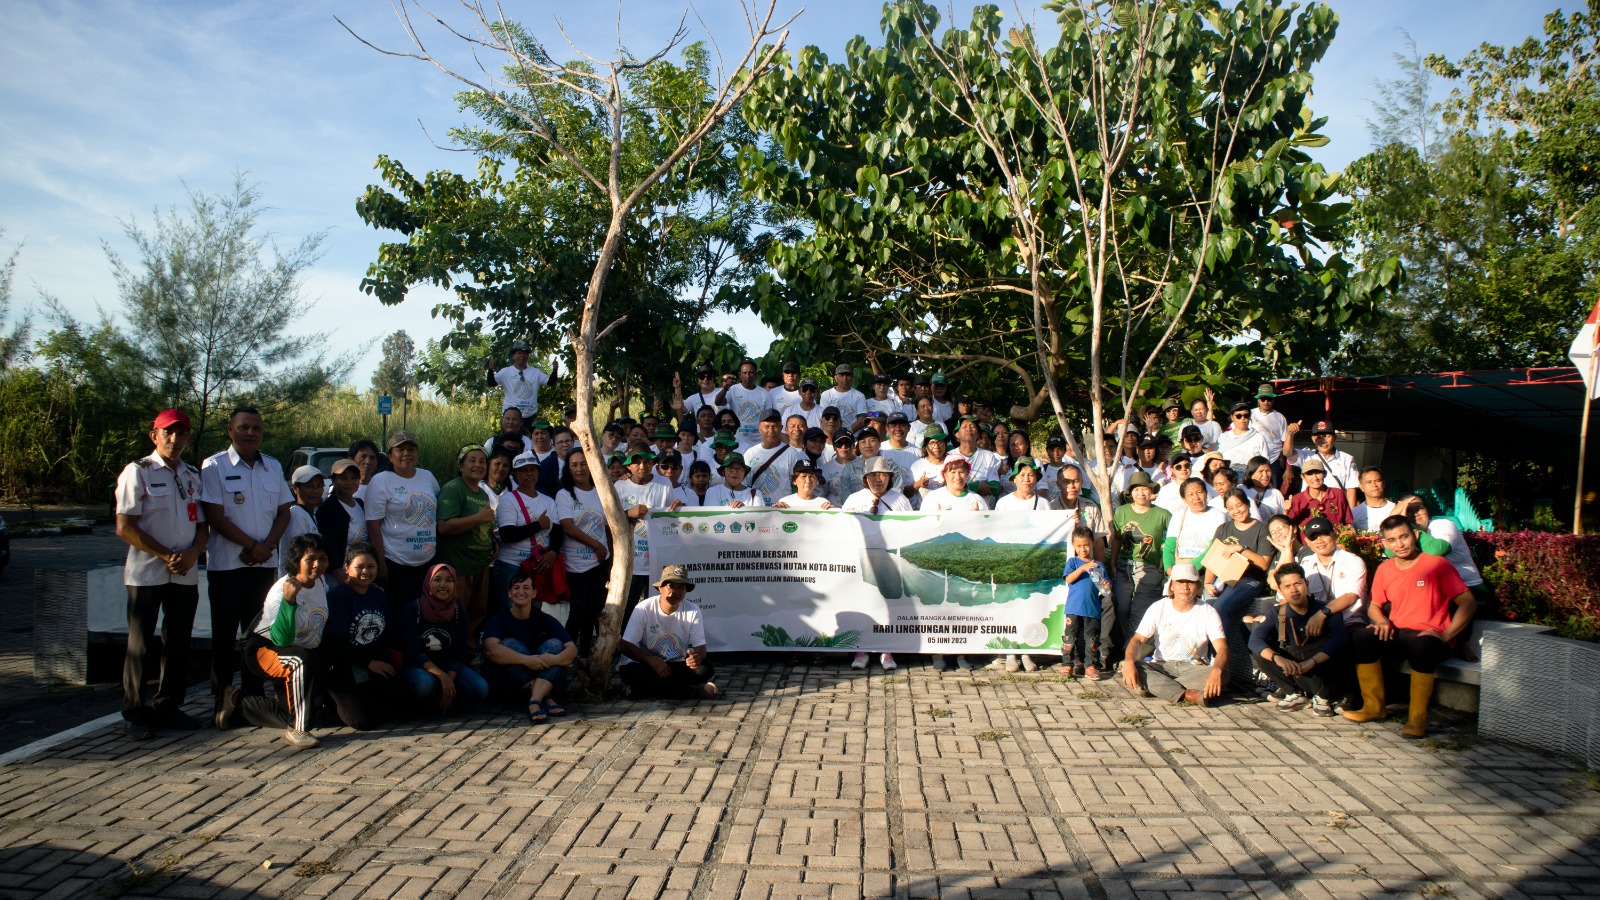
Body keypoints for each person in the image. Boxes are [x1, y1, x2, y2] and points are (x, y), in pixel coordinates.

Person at [114, 408, 208, 739]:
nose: (175, 438)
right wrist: (165, 554)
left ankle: (169, 705)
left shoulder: (192, 475)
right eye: (168, 432)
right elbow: (125, 526)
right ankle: (136, 711)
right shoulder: (137, 471)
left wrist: (194, 553)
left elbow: (203, 525)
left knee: (178, 641)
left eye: (181, 432)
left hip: (184, 572)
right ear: (155, 436)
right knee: (140, 643)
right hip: (147, 573)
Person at [1342, 516, 1477, 738]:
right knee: (1361, 638)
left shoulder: (1436, 565)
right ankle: (1374, 707)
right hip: (1400, 634)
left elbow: (1468, 603)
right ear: (1385, 544)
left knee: (1422, 646)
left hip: (1431, 639)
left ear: (1415, 536)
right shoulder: (1385, 569)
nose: (1400, 544)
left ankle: (1417, 718)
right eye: (1392, 540)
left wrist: (1446, 635)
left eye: (1404, 536)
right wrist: (1382, 621)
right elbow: (1374, 606)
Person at [199, 405, 291, 726]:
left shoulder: (273, 467)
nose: (250, 433)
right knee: (224, 637)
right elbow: (213, 515)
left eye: (256, 428)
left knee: (256, 636)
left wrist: (266, 547)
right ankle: (222, 698)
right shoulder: (214, 467)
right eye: (244, 427)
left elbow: (284, 512)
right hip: (227, 567)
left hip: (263, 568)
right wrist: (251, 546)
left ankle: (252, 698)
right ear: (230, 430)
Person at [235, 533, 330, 750]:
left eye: (323, 558)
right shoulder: (282, 591)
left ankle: (236, 703)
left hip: (299, 650)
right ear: (297, 561)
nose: (318, 564)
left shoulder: (319, 582)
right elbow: (281, 639)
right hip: (266, 650)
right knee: (300, 661)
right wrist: (289, 601)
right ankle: (297, 730)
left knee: (298, 710)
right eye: (310, 559)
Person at [1249, 563, 1349, 716]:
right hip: (1295, 672)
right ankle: (1294, 693)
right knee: (1261, 650)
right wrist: (1278, 659)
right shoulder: (1276, 613)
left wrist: (1312, 662)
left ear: (1306, 584)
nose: (1294, 590)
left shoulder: (1327, 609)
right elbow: (1255, 640)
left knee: (1345, 647)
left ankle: (1324, 697)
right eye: (1287, 586)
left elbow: (1340, 640)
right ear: (1281, 591)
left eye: (1297, 584)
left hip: (1323, 674)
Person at [1121, 562, 1227, 705]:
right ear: (1171, 585)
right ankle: (1187, 694)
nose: (1185, 587)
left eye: (1190, 582)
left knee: (1223, 674)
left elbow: (1222, 648)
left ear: (1198, 586)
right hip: (1162, 666)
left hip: (1194, 668)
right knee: (1132, 666)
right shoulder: (1158, 607)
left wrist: (1216, 672)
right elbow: (1137, 639)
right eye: (1180, 582)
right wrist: (1129, 663)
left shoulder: (1208, 611)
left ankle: (1158, 689)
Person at [483, 570, 578, 724]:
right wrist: (526, 660)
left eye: (526, 588)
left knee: (555, 645)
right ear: (509, 593)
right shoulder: (499, 619)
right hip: (514, 683)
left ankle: (534, 701)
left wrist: (554, 659)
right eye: (516, 587)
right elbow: (490, 650)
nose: (521, 592)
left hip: (545, 672)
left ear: (534, 593)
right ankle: (544, 696)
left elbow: (572, 649)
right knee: (509, 644)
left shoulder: (545, 619)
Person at [322, 542, 399, 730]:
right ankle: (329, 700)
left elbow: (389, 630)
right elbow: (336, 642)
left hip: (373, 661)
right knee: (363, 721)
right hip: (345, 664)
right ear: (347, 568)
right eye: (360, 567)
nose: (366, 571)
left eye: (371, 566)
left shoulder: (378, 594)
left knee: (399, 707)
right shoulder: (338, 597)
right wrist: (368, 663)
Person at [397, 563, 490, 715]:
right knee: (423, 684)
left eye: (449, 580)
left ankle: (448, 696)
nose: (443, 585)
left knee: (481, 688)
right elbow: (413, 652)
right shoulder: (413, 609)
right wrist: (441, 676)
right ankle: (427, 703)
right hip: (420, 666)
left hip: (448, 666)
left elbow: (459, 651)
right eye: (437, 580)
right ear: (428, 583)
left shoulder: (459, 611)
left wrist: (449, 678)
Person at [364, 431, 440, 614]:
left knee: (424, 610)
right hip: (396, 561)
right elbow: (373, 526)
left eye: (411, 449)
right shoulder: (381, 481)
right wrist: (381, 564)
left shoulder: (427, 476)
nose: (407, 453)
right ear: (390, 456)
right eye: (401, 449)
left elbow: (438, 510)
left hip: (428, 560)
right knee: (399, 611)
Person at [618, 565, 717, 699]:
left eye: (681, 587)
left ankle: (642, 689)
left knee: (705, 669)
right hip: (646, 664)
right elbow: (625, 645)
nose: (676, 591)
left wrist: (696, 658)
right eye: (671, 586)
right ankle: (693, 692)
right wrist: (650, 660)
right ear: (660, 588)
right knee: (631, 672)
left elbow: (701, 647)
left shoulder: (693, 610)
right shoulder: (643, 609)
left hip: (676, 664)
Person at [1110, 472, 1172, 673]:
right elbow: (1117, 539)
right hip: (1124, 565)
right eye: (1136, 489)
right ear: (1130, 493)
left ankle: (1130, 655)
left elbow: (1171, 542)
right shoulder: (1122, 512)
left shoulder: (1163, 514)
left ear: (1151, 491)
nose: (1140, 493)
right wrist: (1112, 562)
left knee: (1139, 612)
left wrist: (1166, 568)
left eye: (1144, 488)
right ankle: (1131, 649)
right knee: (1122, 608)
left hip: (1150, 567)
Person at [437, 446, 499, 643]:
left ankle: (468, 652)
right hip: (459, 566)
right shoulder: (453, 489)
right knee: (457, 613)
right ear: (461, 466)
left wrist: (493, 542)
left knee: (476, 613)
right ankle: (452, 655)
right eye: (472, 460)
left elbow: (483, 524)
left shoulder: (482, 494)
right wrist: (478, 517)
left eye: (482, 461)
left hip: (480, 565)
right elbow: (444, 527)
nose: (478, 465)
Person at [555, 447, 610, 657]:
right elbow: (568, 526)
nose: (579, 469)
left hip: (600, 563)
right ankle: (567, 653)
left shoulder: (601, 491)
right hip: (576, 564)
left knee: (594, 611)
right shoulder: (564, 494)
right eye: (574, 465)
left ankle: (586, 653)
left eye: (583, 463)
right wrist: (596, 545)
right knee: (577, 611)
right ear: (568, 470)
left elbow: (609, 524)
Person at [494, 450, 561, 621]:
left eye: (533, 469)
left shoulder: (548, 501)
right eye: (524, 471)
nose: (529, 474)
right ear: (515, 475)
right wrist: (539, 525)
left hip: (538, 564)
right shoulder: (508, 501)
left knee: (534, 609)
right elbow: (507, 534)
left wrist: (553, 552)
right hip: (512, 564)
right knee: (511, 609)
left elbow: (558, 532)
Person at [1398, 496, 1494, 611]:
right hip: (1431, 591)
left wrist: (1406, 525)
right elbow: (1392, 553)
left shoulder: (1442, 525)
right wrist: (1399, 525)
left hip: (1469, 590)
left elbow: (1437, 550)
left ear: (1427, 509)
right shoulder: (1404, 534)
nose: (1415, 513)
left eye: (1419, 508)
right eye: (1408, 510)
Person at [617, 449, 682, 615]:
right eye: (636, 462)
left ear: (653, 464)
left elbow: (668, 519)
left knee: (655, 609)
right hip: (630, 561)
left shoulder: (664, 484)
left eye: (646, 462)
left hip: (656, 560)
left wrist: (677, 508)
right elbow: (610, 520)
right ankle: (624, 640)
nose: (642, 466)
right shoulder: (620, 486)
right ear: (628, 466)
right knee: (627, 608)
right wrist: (627, 514)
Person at [1202, 488, 1276, 626]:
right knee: (1208, 609)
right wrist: (1208, 583)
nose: (1236, 511)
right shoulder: (1223, 529)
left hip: (1250, 580)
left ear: (1247, 504)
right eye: (1230, 508)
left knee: (1219, 609)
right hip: (1224, 579)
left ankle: (1226, 647)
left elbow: (1264, 564)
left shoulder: (1261, 529)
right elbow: (1213, 559)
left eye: (1239, 505)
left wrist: (1240, 549)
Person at [1059, 525, 1111, 679]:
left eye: (1086, 545)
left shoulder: (1098, 565)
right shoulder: (1073, 563)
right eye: (1079, 546)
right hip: (1074, 608)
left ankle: (1091, 665)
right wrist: (1083, 568)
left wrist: (1107, 586)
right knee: (1070, 637)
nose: (1083, 549)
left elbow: (1105, 589)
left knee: (1092, 639)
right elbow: (1068, 579)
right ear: (1074, 546)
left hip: (1092, 609)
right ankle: (1067, 665)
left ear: (1093, 544)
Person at [1284, 420, 1359, 509]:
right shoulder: (1306, 455)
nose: (1323, 441)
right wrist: (1290, 434)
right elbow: (1287, 453)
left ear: (1334, 437)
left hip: (1336, 508)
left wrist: (1350, 517)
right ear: (1312, 439)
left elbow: (1351, 489)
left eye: (1327, 436)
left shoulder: (1347, 459)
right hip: (1309, 508)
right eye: (1319, 437)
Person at [316, 459, 367, 584]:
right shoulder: (327, 509)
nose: (349, 482)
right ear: (333, 480)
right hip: (341, 577)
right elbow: (328, 546)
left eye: (353, 478)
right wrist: (342, 576)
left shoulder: (360, 503)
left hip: (363, 571)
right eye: (343, 478)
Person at [1165, 478, 1226, 573]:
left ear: (1206, 493)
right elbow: (1169, 546)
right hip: (1178, 569)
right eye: (1191, 494)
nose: (1196, 497)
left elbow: (1213, 548)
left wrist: (1190, 570)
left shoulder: (1218, 516)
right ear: (1184, 499)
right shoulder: (1178, 515)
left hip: (1204, 570)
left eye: (1200, 492)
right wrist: (1169, 569)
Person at [742, 410, 798, 504]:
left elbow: (797, 484)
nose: (771, 431)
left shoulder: (792, 453)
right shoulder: (750, 453)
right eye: (766, 427)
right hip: (756, 509)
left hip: (782, 509)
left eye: (775, 426)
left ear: (781, 428)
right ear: (759, 428)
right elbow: (744, 484)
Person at [489, 340, 554, 419]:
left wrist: (555, 370)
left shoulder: (536, 372)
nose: (522, 356)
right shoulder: (505, 372)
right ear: (513, 356)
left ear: (528, 356)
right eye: (519, 353)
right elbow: (491, 383)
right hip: (511, 417)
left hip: (530, 416)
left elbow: (551, 382)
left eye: (525, 353)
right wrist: (490, 370)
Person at [1285, 456, 1353, 529]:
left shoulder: (1338, 494)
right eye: (1309, 474)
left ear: (1325, 474)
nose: (1315, 478)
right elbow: (1289, 527)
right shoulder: (1297, 499)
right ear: (1303, 477)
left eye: (1318, 472)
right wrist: (1285, 512)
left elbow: (1348, 523)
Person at [714, 360, 769, 450]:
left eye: (751, 373)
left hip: (759, 442)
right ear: (740, 374)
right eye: (745, 373)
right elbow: (718, 402)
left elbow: (767, 418)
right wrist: (725, 388)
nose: (748, 376)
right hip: (737, 441)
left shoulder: (764, 393)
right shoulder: (732, 390)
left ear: (756, 374)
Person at [280, 466, 324, 563]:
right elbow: (299, 553)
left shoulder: (312, 512)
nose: (315, 491)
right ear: (295, 489)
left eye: (319, 486)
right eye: (309, 486)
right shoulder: (296, 514)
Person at [1218, 400, 1271, 477]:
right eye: (1238, 416)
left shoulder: (1258, 438)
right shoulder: (1223, 438)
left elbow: (1265, 462)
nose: (1243, 418)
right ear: (1232, 417)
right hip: (1228, 480)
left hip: (1251, 480)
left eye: (1246, 415)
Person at [1250, 383, 1289, 478]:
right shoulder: (1249, 414)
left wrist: (1288, 467)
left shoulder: (1280, 417)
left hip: (1274, 460)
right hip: (1252, 458)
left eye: (1269, 399)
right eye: (1263, 399)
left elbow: (1285, 443)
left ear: (1273, 400)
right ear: (1258, 400)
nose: (1266, 402)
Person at [820, 363, 867, 431]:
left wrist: (848, 432)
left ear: (852, 377)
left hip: (853, 436)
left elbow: (862, 419)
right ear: (836, 377)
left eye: (848, 375)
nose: (845, 378)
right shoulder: (826, 395)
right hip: (832, 435)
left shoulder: (859, 396)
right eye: (841, 375)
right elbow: (824, 418)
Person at [1351, 467, 1396, 533]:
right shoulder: (1354, 513)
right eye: (1369, 482)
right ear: (1361, 487)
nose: (1374, 485)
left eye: (1377, 481)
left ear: (1383, 483)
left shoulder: (1395, 508)